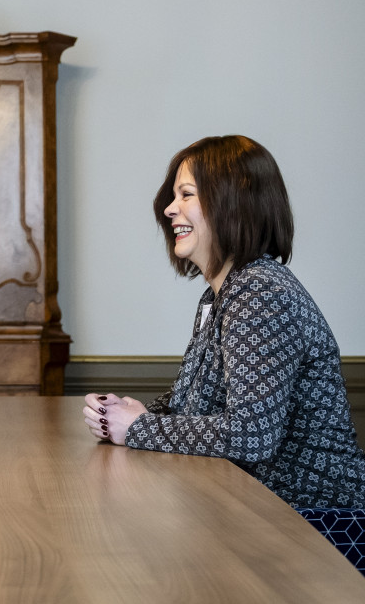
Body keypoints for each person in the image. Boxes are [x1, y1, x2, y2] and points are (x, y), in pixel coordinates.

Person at [83, 135, 365, 509]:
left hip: (318, 521)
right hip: (256, 510)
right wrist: (134, 412)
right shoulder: (221, 293)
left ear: (232, 202)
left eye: (186, 194)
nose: (169, 209)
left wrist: (138, 428)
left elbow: (251, 437)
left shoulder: (259, 294)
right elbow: (196, 402)